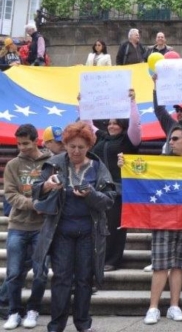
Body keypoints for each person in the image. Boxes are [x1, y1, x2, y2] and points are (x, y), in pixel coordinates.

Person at [32, 122, 116, 332]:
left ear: (89, 146)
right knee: (60, 278)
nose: (76, 151)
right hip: (61, 232)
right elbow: (36, 191)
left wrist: (91, 195)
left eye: (81, 147)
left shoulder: (98, 167)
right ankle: (56, 325)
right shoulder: (53, 164)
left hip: (89, 233)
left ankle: (83, 324)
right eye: (72, 146)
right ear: (65, 144)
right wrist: (47, 185)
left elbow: (109, 200)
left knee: (84, 279)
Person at [134, 127, 182, 325]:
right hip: (163, 218)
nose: (171, 142)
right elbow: (140, 171)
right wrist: (125, 164)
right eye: (170, 139)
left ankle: (174, 305)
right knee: (161, 264)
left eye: (176, 139)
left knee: (179, 264)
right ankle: (153, 308)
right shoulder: (161, 162)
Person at [81, 89, 141, 272]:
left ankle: (113, 260)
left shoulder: (130, 139)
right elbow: (87, 124)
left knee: (115, 225)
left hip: (119, 188)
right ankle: (97, 257)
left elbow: (136, 125)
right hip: (98, 187)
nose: (112, 126)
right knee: (97, 224)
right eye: (110, 123)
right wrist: (83, 103)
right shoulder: (100, 136)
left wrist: (132, 102)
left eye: (116, 123)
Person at [2, 124, 51, 330]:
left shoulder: (51, 162)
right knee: (13, 272)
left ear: (36, 140)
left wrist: (45, 204)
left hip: (42, 227)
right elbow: (11, 194)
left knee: (40, 272)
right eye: (18, 143)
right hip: (18, 225)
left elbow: (56, 189)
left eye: (25, 143)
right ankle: (13, 311)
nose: (21, 147)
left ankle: (33, 309)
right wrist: (35, 204)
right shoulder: (13, 164)